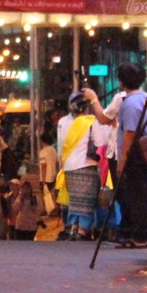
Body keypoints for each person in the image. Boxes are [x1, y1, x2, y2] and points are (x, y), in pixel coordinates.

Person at [110, 63, 147, 249]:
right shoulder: (145, 98)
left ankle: (139, 235)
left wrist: (122, 161)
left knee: (135, 196)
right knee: (143, 194)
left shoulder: (129, 104)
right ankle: (144, 232)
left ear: (121, 81)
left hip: (134, 154)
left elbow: (129, 133)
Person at [55, 92, 108, 241]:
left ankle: (73, 227)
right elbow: (100, 142)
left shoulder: (65, 123)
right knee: (87, 199)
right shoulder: (91, 121)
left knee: (74, 200)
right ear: (86, 107)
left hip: (69, 167)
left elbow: (61, 145)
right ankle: (83, 229)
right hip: (87, 165)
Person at [9, 172, 42, 240]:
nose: (26, 190)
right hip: (21, 226)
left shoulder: (35, 198)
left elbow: (40, 209)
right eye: (24, 188)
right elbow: (15, 208)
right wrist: (21, 199)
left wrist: (34, 208)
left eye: (27, 188)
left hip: (31, 226)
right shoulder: (20, 198)